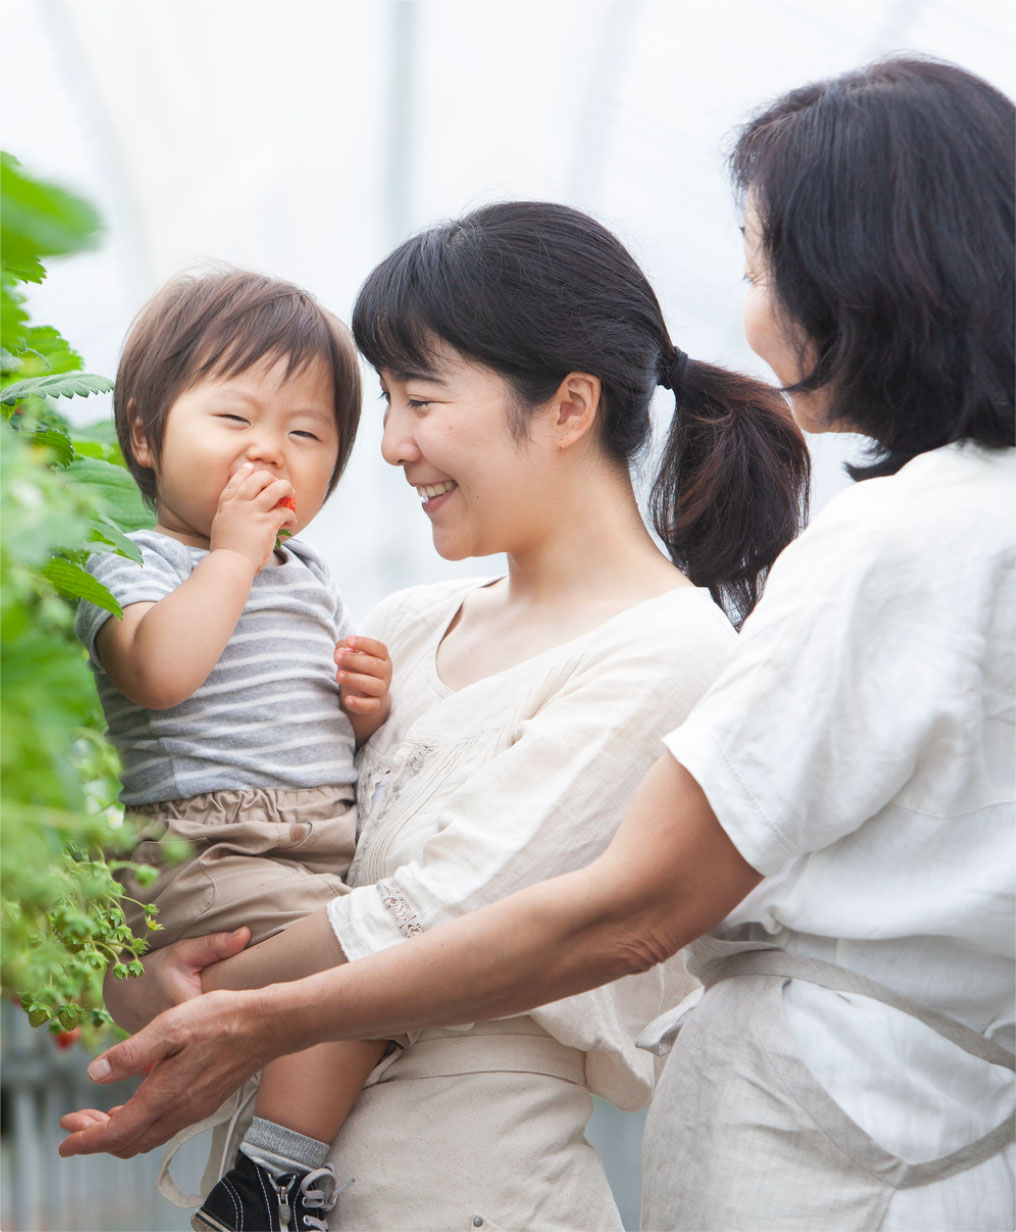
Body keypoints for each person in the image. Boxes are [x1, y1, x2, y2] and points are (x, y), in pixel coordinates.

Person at [64, 203, 809, 1231]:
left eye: (416, 398)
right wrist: (139, 979)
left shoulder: (668, 653)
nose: (389, 444)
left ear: (565, 406)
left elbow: (435, 910)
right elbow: (237, 834)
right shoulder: (400, 631)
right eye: (383, 400)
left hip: (467, 1192)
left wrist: (183, 1002)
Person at [72, 268, 396, 1230]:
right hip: (203, 848)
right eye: (235, 421)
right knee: (357, 975)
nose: (269, 454)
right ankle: (273, 1179)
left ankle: (270, 1166)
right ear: (143, 432)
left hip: (309, 843)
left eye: (305, 435)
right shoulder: (123, 558)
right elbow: (160, 673)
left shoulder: (309, 571)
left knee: (378, 972)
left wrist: (362, 710)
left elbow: (297, 721)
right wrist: (232, 555)